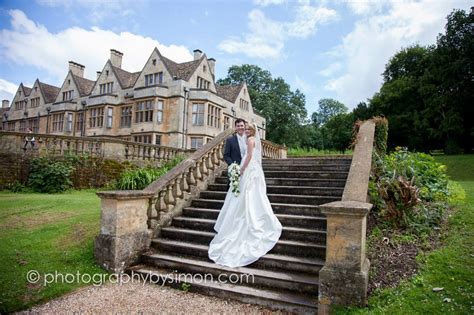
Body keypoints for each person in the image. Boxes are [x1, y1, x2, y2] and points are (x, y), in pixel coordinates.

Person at [208, 123, 282, 268]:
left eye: (248, 129)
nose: (245, 130)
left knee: (248, 194)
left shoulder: (249, 140)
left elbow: (248, 155)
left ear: (253, 130)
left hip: (248, 168)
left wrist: (241, 169)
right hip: (254, 169)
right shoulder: (246, 139)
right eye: (244, 128)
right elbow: (244, 155)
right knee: (251, 194)